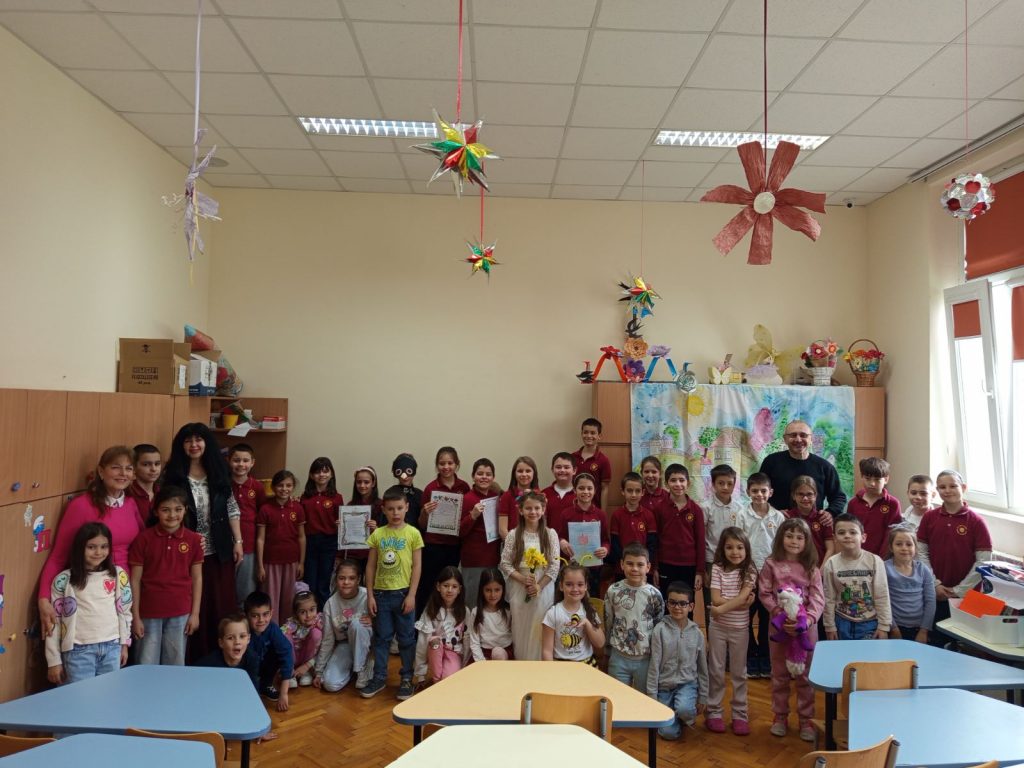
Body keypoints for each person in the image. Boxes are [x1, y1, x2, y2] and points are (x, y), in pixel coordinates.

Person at [38, 445, 143, 638]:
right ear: (101, 472)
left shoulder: (131, 504)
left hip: (127, 590)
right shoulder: (81, 506)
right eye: (116, 467)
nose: (123, 473)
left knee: (122, 649)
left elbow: (145, 544)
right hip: (92, 595)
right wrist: (43, 598)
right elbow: (58, 557)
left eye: (128, 468)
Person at [163, 423, 243, 659]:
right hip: (186, 553)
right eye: (188, 441)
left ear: (207, 443)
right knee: (193, 608)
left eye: (198, 440)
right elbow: (167, 512)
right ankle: (194, 659)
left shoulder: (218, 471)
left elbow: (231, 508)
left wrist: (238, 540)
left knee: (219, 605)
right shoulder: (173, 475)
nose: (194, 445)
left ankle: (220, 657)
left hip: (219, 551)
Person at [759, 518, 825, 742]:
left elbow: (818, 598)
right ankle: (780, 716)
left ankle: (806, 719)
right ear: (781, 538)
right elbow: (764, 592)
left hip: (806, 629)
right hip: (779, 626)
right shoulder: (771, 564)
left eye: (799, 537)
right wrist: (778, 612)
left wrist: (808, 620)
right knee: (779, 674)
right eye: (789, 536)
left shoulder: (812, 568)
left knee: (805, 676)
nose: (794, 541)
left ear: (807, 542)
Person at [45, 522, 132, 685]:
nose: (98, 552)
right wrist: (54, 660)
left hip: (112, 647)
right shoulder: (65, 580)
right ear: (80, 548)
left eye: (104, 546)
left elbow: (125, 612)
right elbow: (53, 622)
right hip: (78, 651)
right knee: (79, 698)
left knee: (109, 696)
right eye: (91, 547)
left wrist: (124, 644)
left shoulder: (118, 574)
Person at [129, 485, 203, 665]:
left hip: (180, 611)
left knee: (175, 663)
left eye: (178, 509)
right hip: (148, 611)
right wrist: (135, 616)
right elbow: (135, 580)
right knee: (146, 662)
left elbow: (197, 578)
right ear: (156, 511)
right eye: (165, 510)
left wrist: (195, 613)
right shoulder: (143, 539)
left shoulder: (194, 540)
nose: (172, 515)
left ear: (185, 510)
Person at [363, 486, 424, 701]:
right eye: (391, 509)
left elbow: (417, 566)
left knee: (406, 638)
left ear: (407, 507)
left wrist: (412, 595)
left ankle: (406, 678)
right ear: (384, 510)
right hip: (381, 595)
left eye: (399, 508)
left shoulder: (413, 533)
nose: (395, 513)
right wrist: (370, 595)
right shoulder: (378, 534)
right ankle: (379, 677)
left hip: (403, 594)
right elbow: (370, 566)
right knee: (382, 638)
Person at [916, 470, 992, 635]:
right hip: (934, 592)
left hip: (965, 595)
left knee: (962, 638)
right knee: (934, 635)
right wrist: (935, 584)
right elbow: (921, 553)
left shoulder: (976, 521)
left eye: (953, 486)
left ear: (963, 488)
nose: (947, 490)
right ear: (937, 490)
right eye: (942, 487)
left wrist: (959, 590)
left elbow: (984, 561)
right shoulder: (929, 517)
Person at [706, 527, 757, 735]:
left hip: (739, 629)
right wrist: (738, 604)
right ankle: (714, 712)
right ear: (722, 549)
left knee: (739, 673)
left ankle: (740, 715)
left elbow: (738, 598)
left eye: (739, 547)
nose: (735, 552)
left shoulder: (750, 570)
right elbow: (716, 598)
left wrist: (720, 610)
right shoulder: (717, 568)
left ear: (746, 549)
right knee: (716, 671)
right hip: (717, 628)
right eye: (729, 547)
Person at [195, 614, 276, 742]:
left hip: (236, 700)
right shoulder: (209, 663)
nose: (237, 642)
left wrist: (259, 727)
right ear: (221, 643)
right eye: (230, 638)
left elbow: (253, 692)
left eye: (242, 636)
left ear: (249, 639)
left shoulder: (252, 659)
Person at [499, 491, 559, 660]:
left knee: (539, 627)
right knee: (521, 628)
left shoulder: (550, 534)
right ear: (520, 510)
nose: (533, 512)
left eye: (537, 508)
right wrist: (523, 579)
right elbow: (505, 563)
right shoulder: (513, 535)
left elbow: (554, 566)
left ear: (543, 509)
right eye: (528, 508)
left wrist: (539, 585)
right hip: (520, 587)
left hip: (543, 587)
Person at [646, 581, 708, 742]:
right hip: (664, 687)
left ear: (691, 606)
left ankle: (681, 712)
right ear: (667, 604)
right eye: (673, 603)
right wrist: (651, 694)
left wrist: (703, 696)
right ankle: (676, 715)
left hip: (687, 684)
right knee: (669, 734)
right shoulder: (660, 630)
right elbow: (654, 664)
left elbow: (702, 668)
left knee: (686, 710)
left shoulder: (697, 634)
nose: (677, 607)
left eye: (682, 604)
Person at [740, 472, 784, 679]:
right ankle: (751, 656)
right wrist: (746, 571)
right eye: (755, 491)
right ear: (748, 492)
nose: (759, 495)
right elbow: (738, 545)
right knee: (746, 617)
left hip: (770, 577)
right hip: (747, 575)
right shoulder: (741, 515)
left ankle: (766, 657)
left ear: (771, 492)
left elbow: (780, 547)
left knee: (768, 618)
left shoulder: (778, 517)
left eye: (763, 491)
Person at [604, 542, 664, 691]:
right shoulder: (613, 591)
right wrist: (607, 650)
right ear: (622, 564)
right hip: (618, 657)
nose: (635, 569)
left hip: (645, 659)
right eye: (630, 564)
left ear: (648, 567)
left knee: (643, 698)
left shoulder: (654, 594)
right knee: (617, 696)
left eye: (640, 565)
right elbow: (608, 621)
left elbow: (658, 625)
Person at [418, 448, 469, 616]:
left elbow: (467, 517)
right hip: (433, 545)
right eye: (442, 463)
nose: (446, 467)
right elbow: (422, 525)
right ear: (437, 465)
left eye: (450, 463)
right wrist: (425, 512)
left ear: (457, 464)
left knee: (450, 586)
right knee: (429, 585)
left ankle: (448, 620)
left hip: (454, 545)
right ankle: (423, 622)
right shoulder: (430, 488)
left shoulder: (463, 487)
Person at [823, 513, 891, 641]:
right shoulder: (831, 563)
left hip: (870, 622)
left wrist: (884, 626)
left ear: (863, 537)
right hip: (841, 622)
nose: (847, 535)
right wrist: (829, 626)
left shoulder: (875, 561)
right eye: (841, 533)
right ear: (834, 538)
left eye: (853, 532)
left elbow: (882, 595)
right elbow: (829, 598)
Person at [759, 420, 847, 514]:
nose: (798, 439)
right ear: (785, 439)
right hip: (778, 520)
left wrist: (831, 513)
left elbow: (838, 497)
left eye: (803, 435)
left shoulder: (825, 467)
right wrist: (773, 512)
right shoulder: (771, 462)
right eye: (793, 435)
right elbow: (759, 491)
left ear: (811, 438)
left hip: (814, 522)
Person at [314, 559, 374, 691]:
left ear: (358, 579)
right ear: (336, 579)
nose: (346, 582)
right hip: (345, 644)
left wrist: (375, 621)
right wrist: (319, 671)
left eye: (351, 578)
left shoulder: (368, 596)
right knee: (330, 685)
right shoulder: (330, 604)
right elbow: (328, 639)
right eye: (342, 578)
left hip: (369, 644)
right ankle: (353, 667)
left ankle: (363, 668)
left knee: (357, 624)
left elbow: (386, 624)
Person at [256, 469, 306, 625]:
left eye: (288, 485)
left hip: (291, 560)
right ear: (273, 487)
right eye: (280, 485)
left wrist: (301, 562)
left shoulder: (297, 508)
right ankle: (271, 629)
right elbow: (260, 539)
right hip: (270, 561)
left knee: (288, 599)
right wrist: (260, 565)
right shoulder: (265, 509)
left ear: (293, 487)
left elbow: (301, 537)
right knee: (271, 598)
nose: (284, 489)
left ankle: (287, 631)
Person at [652, 464, 705, 601]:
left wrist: (699, 571)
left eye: (682, 480)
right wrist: (655, 567)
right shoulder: (659, 508)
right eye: (673, 480)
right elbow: (655, 540)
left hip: (689, 566)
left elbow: (700, 541)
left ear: (688, 483)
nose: (678, 484)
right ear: (666, 484)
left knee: (687, 604)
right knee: (666, 602)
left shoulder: (696, 510)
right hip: (665, 564)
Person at [703, 464, 744, 625]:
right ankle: (713, 638)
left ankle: (732, 634)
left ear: (734, 485)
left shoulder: (740, 508)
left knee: (732, 600)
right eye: (721, 483)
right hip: (712, 561)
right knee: (712, 602)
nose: (725, 487)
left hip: (734, 561)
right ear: (713, 484)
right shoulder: (706, 507)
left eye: (729, 483)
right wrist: (703, 569)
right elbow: (701, 537)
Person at [301, 456, 344, 609]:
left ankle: (323, 616)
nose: (322, 475)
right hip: (310, 543)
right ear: (311, 475)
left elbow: (341, 528)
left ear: (331, 474)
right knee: (310, 583)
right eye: (318, 472)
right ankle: (309, 614)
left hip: (329, 543)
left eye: (325, 471)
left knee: (324, 584)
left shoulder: (337, 498)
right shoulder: (305, 497)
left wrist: (339, 553)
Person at [557, 473, 609, 596]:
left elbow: (606, 540)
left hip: (593, 567)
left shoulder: (600, 514)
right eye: (581, 488)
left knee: (592, 598)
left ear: (595, 490)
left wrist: (605, 549)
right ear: (575, 490)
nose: (585, 492)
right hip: (572, 567)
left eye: (589, 488)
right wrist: (561, 542)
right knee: (572, 596)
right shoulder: (566, 514)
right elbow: (559, 536)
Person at [542, 563, 605, 664]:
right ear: (561, 586)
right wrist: (552, 671)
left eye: (580, 584)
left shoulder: (590, 611)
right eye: (569, 584)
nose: (575, 589)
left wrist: (587, 623)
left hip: (586, 665)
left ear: (586, 586)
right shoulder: (553, 613)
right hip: (561, 665)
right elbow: (547, 651)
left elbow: (600, 643)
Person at [415, 567, 468, 684]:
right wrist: (421, 674)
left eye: (454, 586)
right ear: (438, 587)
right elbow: (422, 641)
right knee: (434, 642)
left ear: (460, 589)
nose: (449, 590)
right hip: (434, 651)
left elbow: (467, 640)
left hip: (453, 652)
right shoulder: (430, 610)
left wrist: (465, 665)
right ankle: (436, 681)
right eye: (446, 586)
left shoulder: (464, 611)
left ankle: (442, 679)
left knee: (449, 680)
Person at [244, 590, 294, 712]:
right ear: (247, 616)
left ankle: (266, 685)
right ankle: (250, 689)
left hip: (264, 665)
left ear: (271, 613)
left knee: (280, 650)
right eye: (255, 615)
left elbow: (287, 653)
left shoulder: (273, 629)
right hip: (247, 670)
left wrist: (284, 693)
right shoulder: (243, 630)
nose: (261, 620)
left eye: (265, 614)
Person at [459, 458, 502, 600]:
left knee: (490, 600)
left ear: (493, 477)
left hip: (493, 558)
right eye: (480, 474)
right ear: (473, 476)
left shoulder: (496, 498)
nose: (484, 477)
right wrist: (472, 516)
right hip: (473, 560)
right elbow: (459, 532)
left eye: (488, 474)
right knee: (472, 600)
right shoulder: (467, 499)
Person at [229, 443, 266, 606]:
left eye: (245, 460)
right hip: (226, 544)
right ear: (228, 460)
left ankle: (244, 618)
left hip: (249, 544)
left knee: (246, 588)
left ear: (252, 463)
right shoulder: (223, 484)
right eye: (236, 460)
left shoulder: (257, 486)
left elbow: (262, 515)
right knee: (226, 588)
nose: (241, 464)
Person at [885, 527, 935, 644]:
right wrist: (893, 628)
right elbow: (882, 601)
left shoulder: (923, 569)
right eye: (899, 544)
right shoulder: (884, 568)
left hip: (919, 628)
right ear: (891, 547)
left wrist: (924, 630)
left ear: (915, 548)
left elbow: (930, 601)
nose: (904, 548)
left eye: (909, 544)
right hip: (894, 627)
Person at [846, 457, 902, 556]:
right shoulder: (853, 503)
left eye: (877, 480)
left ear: (886, 479)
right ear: (862, 477)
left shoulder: (893, 504)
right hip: (856, 555)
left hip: (883, 557)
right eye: (867, 479)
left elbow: (892, 533)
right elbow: (850, 530)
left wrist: (882, 557)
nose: (872, 483)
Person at [610, 472, 658, 577]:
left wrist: (644, 563)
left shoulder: (649, 515)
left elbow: (652, 544)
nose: (634, 495)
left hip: (643, 569)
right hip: (622, 569)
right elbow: (615, 544)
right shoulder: (617, 515)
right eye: (629, 490)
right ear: (622, 491)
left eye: (637, 491)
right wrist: (625, 562)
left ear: (643, 492)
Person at [785, 476, 835, 565]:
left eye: (809, 494)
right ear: (793, 496)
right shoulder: (787, 517)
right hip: (793, 568)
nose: (805, 498)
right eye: (800, 494)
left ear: (815, 495)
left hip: (819, 567)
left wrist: (822, 570)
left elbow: (830, 549)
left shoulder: (823, 518)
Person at [467, 568, 514, 661]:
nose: (493, 595)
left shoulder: (509, 610)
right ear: (482, 590)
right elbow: (474, 642)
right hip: (484, 655)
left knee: (498, 653)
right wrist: (482, 662)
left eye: (497, 590)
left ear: (503, 589)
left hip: (504, 653)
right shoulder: (476, 612)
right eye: (488, 590)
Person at [282, 584, 323, 688]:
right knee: (285, 636)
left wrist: (308, 665)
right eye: (303, 612)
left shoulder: (319, 621)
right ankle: (289, 672)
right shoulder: (293, 623)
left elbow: (327, 643)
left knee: (317, 634)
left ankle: (307, 671)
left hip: (309, 660)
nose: (308, 615)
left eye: (312, 610)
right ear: (296, 614)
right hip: (294, 658)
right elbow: (281, 634)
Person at [344, 466, 381, 574]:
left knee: (370, 581)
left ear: (373, 483)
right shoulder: (350, 506)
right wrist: (342, 526)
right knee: (354, 580)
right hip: (353, 554)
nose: (362, 485)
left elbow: (388, 531)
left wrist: (376, 528)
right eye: (359, 482)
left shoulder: (381, 505)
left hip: (373, 553)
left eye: (366, 482)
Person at [572, 417, 612, 508]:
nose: (589, 436)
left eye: (593, 433)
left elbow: (605, 489)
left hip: (594, 509)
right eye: (585, 432)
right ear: (581, 434)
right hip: (574, 508)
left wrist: (603, 512)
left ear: (599, 436)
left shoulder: (603, 460)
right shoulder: (572, 457)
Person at [497, 456, 539, 539]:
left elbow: (543, 525)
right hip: (513, 543)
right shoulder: (506, 496)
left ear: (534, 473)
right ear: (514, 474)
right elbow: (502, 530)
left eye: (528, 471)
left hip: (535, 543)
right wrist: (515, 545)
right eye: (520, 471)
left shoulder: (540, 496)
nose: (524, 474)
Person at [542, 452, 577, 533]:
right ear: (552, 470)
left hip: (572, 540)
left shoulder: (580, 495)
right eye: (558, 467)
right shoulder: (543, 494)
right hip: (549, 539)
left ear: (574, 470)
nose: (562, 470)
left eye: (566, 467)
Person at [127, 443, 161, 523]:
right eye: (146, 464)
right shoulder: (128, 493)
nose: (154, 469)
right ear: (134, 466)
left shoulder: (161, 492)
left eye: (157, 464)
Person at [391, 453, 422, 528]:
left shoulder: (420, 495)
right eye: (400, 471)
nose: (404, 476)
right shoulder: (391, 494)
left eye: (409, 471)